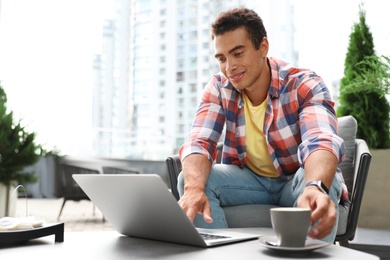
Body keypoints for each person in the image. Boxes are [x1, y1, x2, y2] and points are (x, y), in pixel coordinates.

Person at [177, 7, 349, 243]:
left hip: (294, 182)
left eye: (238, 53)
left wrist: (315, 185)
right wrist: (194, 186)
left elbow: (320, 139)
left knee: (318, 186)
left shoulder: (303, 84)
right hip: (251, 183)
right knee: (190, 182)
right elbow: (199, 140)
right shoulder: (219, 87)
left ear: (263, 47)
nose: (229, 67)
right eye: (222, 58)